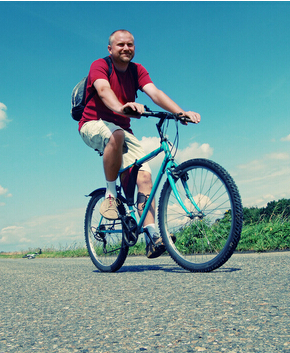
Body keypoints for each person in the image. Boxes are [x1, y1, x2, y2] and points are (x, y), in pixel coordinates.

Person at [79, 29, 201, 258]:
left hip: (122, 129)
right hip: (93, 123)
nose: (126, 48)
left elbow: (154, 93)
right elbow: (103, 90)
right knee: (117, 136)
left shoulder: (137, 70)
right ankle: (110, 195)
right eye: (120, 45)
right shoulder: (100, 65)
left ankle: (152, 236)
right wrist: (121, 107)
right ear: (110, 49)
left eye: (130, 45)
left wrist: (180, 112)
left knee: (145, 175)